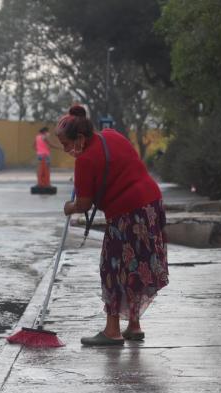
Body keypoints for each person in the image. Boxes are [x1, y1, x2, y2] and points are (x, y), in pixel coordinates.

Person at [56, 105, 168, 346]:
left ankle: (112, 330)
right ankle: (134, 325)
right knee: (136, 264)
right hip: (151, 204)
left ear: (80, 138)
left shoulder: (84, 161)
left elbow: (84, 204)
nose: (65, 149)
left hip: (127, 213)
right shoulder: (112, 135)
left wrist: (69, 207)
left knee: (113, 268)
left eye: (66, 144)